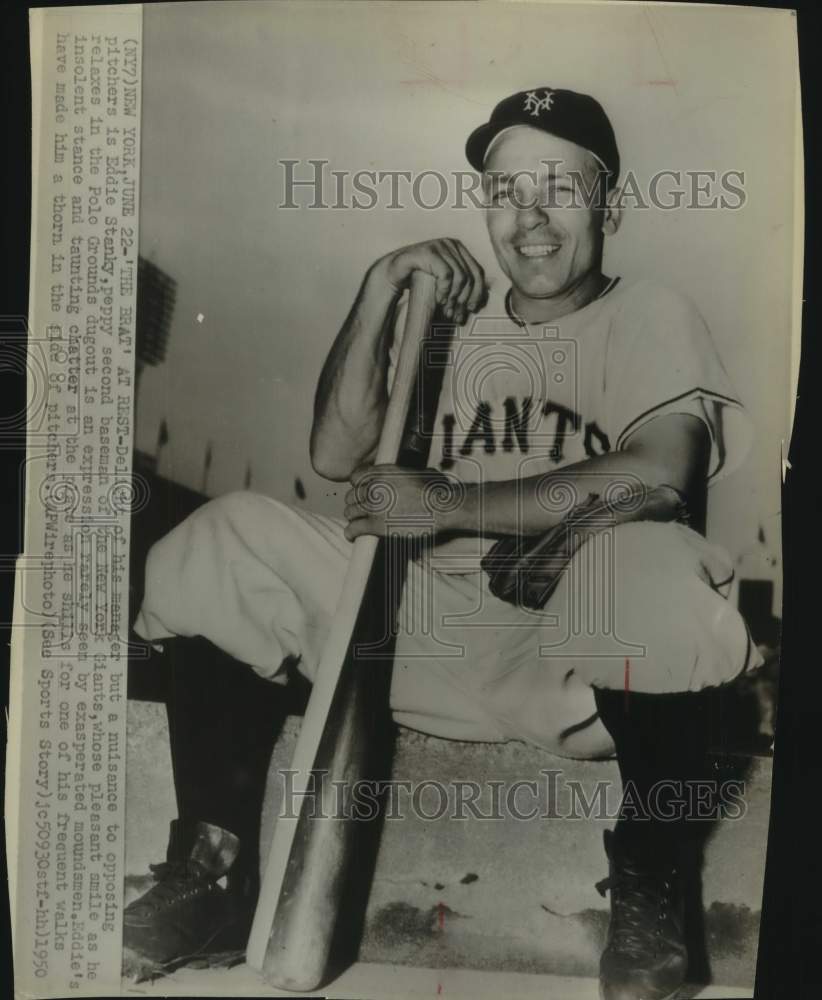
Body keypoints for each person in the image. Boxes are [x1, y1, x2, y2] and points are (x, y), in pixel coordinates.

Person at [125, 87, 762, 1000]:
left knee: (653, 567)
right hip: (421, 636)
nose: (529, 218)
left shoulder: (650, 313)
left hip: (576, 660)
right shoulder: (456, 329)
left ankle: (650, 881)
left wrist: (453, 503)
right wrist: (381, 285)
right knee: (224, 537)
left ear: (610, 204)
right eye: (505, 191)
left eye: (559, 189)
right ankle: (213, 871)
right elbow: (336, 453)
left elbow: (659, 472)